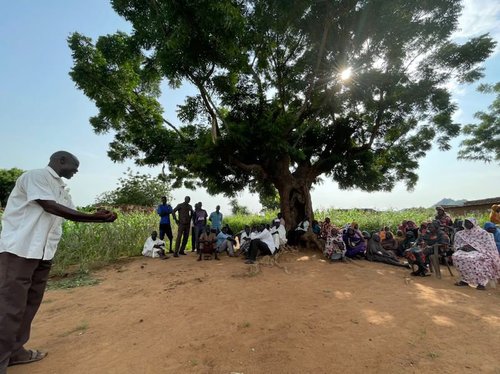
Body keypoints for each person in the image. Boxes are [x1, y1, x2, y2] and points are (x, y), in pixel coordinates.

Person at [0, 151, 117, 372]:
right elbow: (50, 206)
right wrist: (94, 217)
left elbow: (71, 212)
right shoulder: (36, 176)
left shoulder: (62, 190)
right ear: (60, 160)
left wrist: (97, 215)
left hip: (43, 254)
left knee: (29, 305)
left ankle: (15, 351)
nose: (76, 171)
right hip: (20, 251)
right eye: (75, 166)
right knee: (9, 307)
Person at [453, 218, 500, 290]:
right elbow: (457, 244)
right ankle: (465, 280)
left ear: (474, 223)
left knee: (474, 259)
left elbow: (487, 245)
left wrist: (474, 248)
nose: (467, 224)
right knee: (456, 256)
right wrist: (462, 247)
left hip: (480, 251)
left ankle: (481, 283)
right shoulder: (460, 234)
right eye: (465, 223)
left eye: (469, 223)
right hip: (465, 251)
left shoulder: (482, 233)